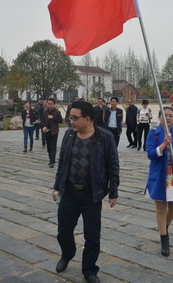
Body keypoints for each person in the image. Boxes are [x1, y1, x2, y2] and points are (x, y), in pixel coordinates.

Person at [52, 101, 119, 283]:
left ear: (87, 119)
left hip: (91, 195)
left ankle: (89, 270)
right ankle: (67, 254)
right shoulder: (68, 135)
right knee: (63, 232)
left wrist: (113, 191)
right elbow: (62, 162)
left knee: (92, 237)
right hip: (69, 193)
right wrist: (57, 185)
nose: (71, 122)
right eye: (70, 118)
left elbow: (113, 165)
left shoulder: (104, 137)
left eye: (74, 118)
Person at [146, 107, 173, 257]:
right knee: (161, 206)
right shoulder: (154, 133)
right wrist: (164, 144)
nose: (169, 118)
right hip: (159, 174)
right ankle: (164, 238)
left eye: (171, 115)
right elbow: (151, 154)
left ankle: (164, 226)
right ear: (159, 117)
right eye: (165, 115)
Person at [42, 98, 63, 168]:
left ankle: (52, 161)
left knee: (53, 146)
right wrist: (43, 127)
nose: (50, 105)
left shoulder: (57, 112)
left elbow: (60, 121)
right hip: (47, 132)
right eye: (48, 103)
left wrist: (53, 118)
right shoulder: (45, 112)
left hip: (54, 131)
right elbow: (42, 121)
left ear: (54, 104)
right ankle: (50, 159)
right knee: (48, 147)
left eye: (51, 104)